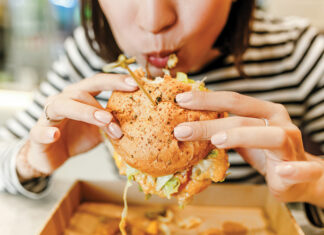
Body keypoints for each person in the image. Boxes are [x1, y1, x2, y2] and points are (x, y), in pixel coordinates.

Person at [0, 0, 323, 222]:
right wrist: (30, 159)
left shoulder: (300, 53)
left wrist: (312, 184)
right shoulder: (93, 54)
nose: (154, 21)